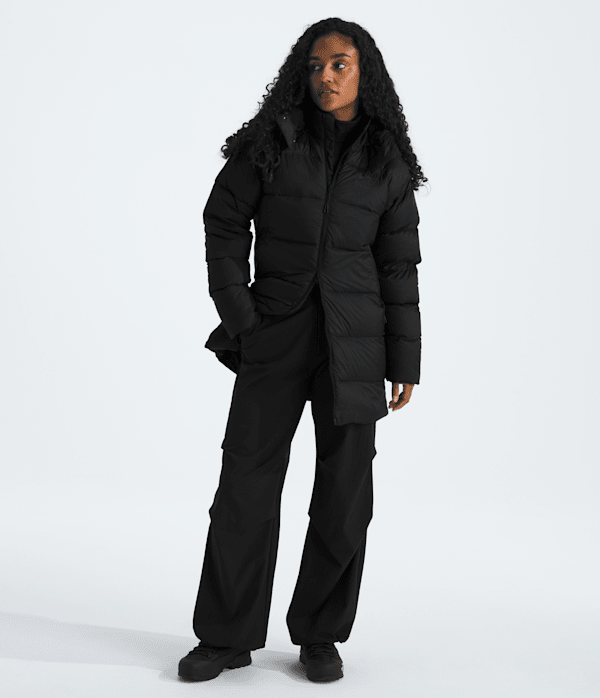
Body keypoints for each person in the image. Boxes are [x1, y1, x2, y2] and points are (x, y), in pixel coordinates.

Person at [178, 17, 427, 684]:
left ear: (365, 73)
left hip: (356, 346)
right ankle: (225, 636)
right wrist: (240, 315)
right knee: (244, 485)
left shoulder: (386, 161)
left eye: (340, 64)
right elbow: (223, 220)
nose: (326, 78)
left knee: (345, 497)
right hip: (275, 332)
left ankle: (320, 634)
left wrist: (404, 361)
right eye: (316, 66)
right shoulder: (273, 141)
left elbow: (398, 265)